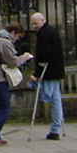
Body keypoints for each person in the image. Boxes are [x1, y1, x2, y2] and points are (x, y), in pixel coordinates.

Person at [0, 24, 32, 146]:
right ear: (13, 32)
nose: (18, 39)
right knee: (5, 107)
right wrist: (24, 57)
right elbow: (13, 62)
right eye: (18, 36)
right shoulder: (5, 43)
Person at [29, 12, 66, 140]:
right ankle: (55, 129)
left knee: (46, 97)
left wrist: (36, 74)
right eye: (32, 23)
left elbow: (43, 55)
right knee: (56, 101)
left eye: (36, 23)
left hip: (48, 71)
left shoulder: (44, 33)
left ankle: (55, 128)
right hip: (56, 70)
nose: (34, 26)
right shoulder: (52, 31)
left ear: (43, 20)